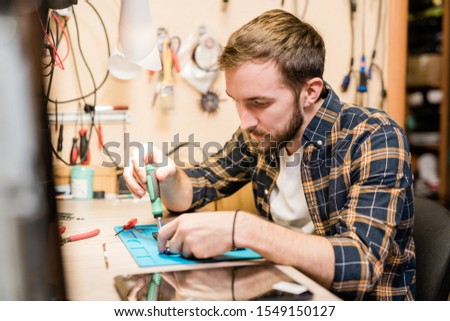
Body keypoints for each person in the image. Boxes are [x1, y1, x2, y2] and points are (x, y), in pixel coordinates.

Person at [123, 9, 416, 300]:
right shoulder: (261, 134)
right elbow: (198, 188)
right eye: (237, 102)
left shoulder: (374, 136)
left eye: (259, 102)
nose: (245, 121)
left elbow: (360, 265)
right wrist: (167, 176)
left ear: (310, 91)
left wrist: (244, 229)